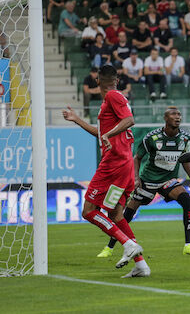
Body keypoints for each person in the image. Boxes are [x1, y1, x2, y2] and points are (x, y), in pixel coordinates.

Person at [62, 65, 148, 278]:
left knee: (89, 210)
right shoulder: (109, 102)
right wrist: (77, 120)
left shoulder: (112, 96)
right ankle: (141, 265)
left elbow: (130, 120)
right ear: (117, 80)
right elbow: (101, 133)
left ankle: (127, 244)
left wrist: (108, 135)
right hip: (124, 165)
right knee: (116, 214)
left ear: (97, 81)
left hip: (113, 165)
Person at [96, 107, 190, 259]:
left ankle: (188, 246)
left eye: (179, 114)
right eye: (173, 114)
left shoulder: (185, 137)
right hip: (148, 180)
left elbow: (184, 158)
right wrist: (137, 178)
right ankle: (109, 247)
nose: (177, 117)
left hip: (168, 180)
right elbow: (137, 158)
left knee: (186, 200)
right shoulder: (152, 137)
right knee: (128, 214)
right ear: (165, 118)